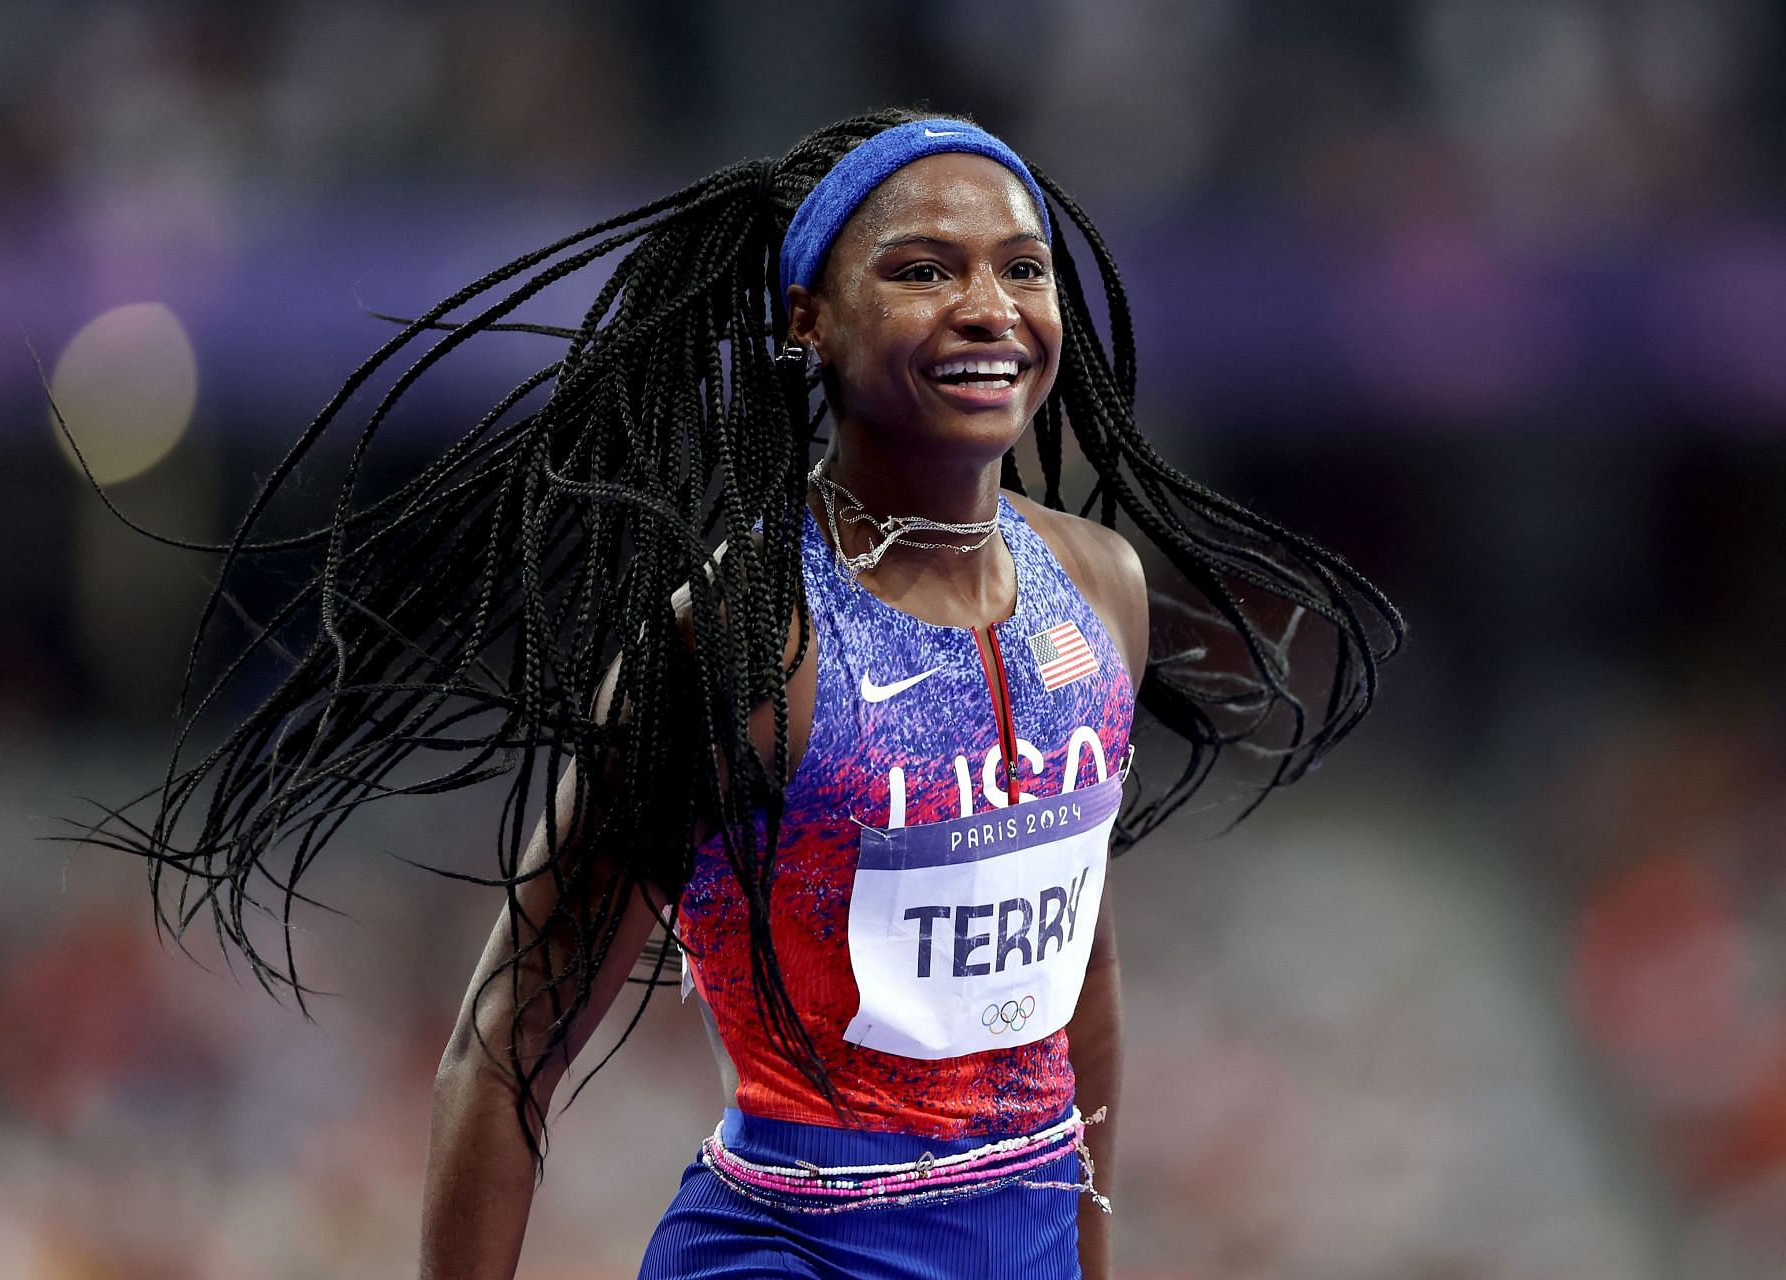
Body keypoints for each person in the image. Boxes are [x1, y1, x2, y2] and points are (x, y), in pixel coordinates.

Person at [79, 108, 1402, 1279]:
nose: (989, 306)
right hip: (791, 1246)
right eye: (923, 269)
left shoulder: (1099, 583)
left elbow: (1079, 977)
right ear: (805, 320)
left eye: (1021, 266)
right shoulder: (738, 641)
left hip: (1028, 1233)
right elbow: (505, 1046)